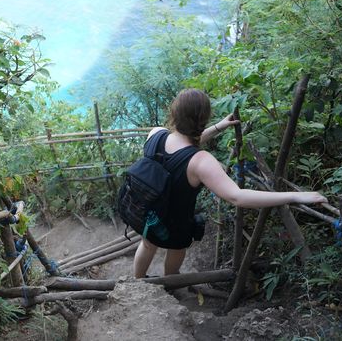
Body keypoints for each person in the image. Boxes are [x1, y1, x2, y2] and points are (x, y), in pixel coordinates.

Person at [133, 88, 327, 278]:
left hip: (150, 210)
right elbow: (237, 196)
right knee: (177, 248)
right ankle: (172, 282)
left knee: (148, 243)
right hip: (176, 221)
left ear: (174, 113)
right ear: (203, 119)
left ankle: (138, 280)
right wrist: (295, 195)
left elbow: (180, 144)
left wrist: (219, 127)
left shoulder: (156, 134)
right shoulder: (200, 161)